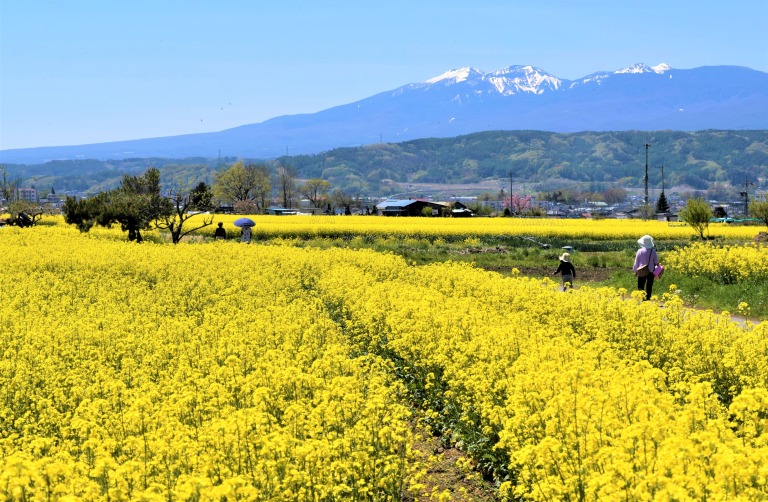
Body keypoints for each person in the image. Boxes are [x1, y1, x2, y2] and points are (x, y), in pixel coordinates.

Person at [633, 234, 659, 301]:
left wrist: (635, 270)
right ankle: (648, 299)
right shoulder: (653, 251)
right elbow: (656, 262)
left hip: (641, 270)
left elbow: (636, 262)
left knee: (640, 285)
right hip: (651, 271)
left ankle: (641, 298)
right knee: (649, 286)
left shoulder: (640, 251)